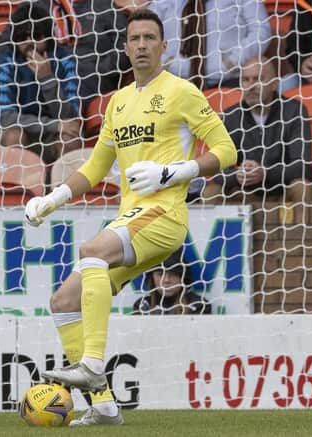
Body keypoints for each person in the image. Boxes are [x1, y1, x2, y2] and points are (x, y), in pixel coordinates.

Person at [24, 8, 236, 426]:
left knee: (91, 249)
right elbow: (96, 168)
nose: (141, 45)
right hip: (131, 216)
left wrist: (173, 172)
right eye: (134, 38)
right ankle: (102, 405)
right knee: (63, 300)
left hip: (165, 213)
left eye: (149, 38)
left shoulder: (182, 91)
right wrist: (54, 198)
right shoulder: (117, 103)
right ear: (125, 47)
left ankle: (91, 365)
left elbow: (227, 151)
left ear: (163, 45)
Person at [202, 56, 312, 223]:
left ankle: (306, 247)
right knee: (210, 192)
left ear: (274, 84)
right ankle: (216, 248)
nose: (251, 86)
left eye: (259, 79)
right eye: (246, 80)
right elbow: (219, 169)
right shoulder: (230, 117)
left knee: (303, 187)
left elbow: (303, 166)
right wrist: (238, 175)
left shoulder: (294, 111)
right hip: (245, 195)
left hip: (283, 194)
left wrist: (265, 173)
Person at [0, 2, 80, 165]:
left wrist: (47, 79)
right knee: (15, 135)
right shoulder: (6, 63)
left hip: (52, 137)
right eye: (22, 37)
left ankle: (65, 189)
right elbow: (5, 118)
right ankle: (18, 189)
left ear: (48, 36)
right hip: (19, 133)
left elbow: (69, 117)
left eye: (36, 35)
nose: (29, 42)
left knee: (69, 139)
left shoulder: (65, 61)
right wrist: (53, 125)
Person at [149, 0, 272, 89]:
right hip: (174, 82)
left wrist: (234, 61)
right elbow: (146, 33)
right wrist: (167, 62)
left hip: (229, 81)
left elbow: (261, 31)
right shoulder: (162, 3)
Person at [38, 0, 131, 110]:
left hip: (95, 77)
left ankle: (72, 120)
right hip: (51, 74)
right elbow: (22, 42)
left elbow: (126, 44)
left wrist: (98, 70)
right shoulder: (39, 7)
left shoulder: (105, 5)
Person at [132, 248, 212, 315]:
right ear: (151, 278)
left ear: (183, 277)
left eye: (173, 274)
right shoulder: (142, 305)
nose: (166, 280)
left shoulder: (199, 305)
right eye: (160, 274)